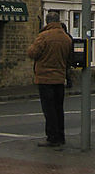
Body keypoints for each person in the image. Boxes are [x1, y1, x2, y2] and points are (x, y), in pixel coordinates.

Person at [27, 11, 73, 148]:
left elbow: (32, 53)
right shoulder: (66, 38)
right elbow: (70, 60)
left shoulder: (44, 37)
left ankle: (52, 137)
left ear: (47, 21)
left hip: (45, 78)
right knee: (59, 109)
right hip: (59, 78)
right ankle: (60, 136)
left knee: (49, 110)